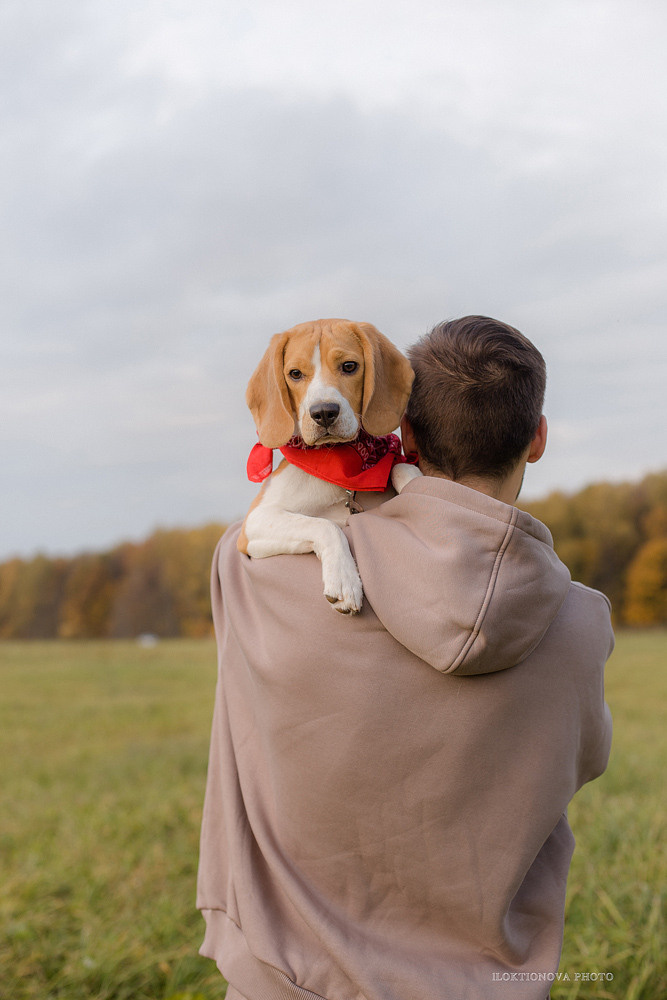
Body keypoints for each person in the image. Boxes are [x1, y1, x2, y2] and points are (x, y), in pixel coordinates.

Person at [197, 315, 613, 1000]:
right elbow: (584, 763)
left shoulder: (247, 570)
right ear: (536, 439)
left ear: (404, 432)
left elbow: (262, 529)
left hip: (287, 979)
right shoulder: (580, 623)